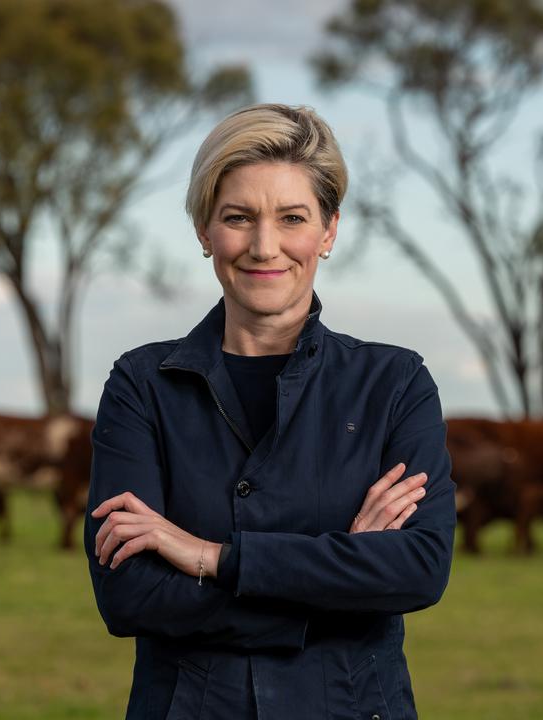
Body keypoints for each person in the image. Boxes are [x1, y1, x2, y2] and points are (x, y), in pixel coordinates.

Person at [84, 103, 455, 720]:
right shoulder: (142, 385)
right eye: (238, 217)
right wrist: (342, 573)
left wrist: (211, 558)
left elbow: (417, 569)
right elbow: (131, 595)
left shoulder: (394, 383)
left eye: (292, 218)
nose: (264, 246)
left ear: (329, 231)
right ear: (205, 231)